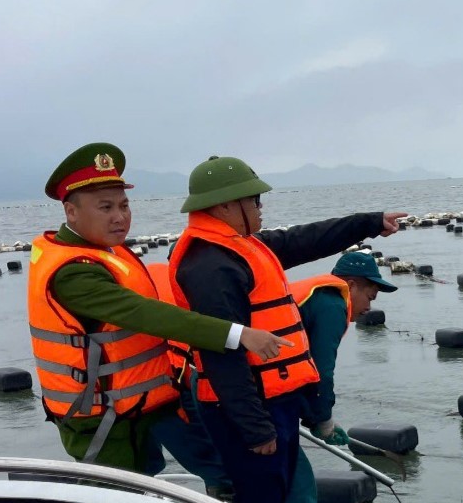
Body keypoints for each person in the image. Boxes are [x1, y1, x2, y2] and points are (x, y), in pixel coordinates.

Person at [167, 155, 406, 503]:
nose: (261, 208)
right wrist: (255, 429)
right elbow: (223, 356)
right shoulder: (210, 266)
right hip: (249, 410)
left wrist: (370, 223)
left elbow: (306, 239)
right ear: (226, 205)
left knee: (276, 498)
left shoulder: (241, 246)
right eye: (254, 201)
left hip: (274, 401)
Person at [27, 143, 289, 473]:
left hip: (149, 396)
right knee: (117, 501)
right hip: (103, 415)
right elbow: (146, 314)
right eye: (105, 208)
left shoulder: (106, 250)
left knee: (217, 466)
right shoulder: (74, 272)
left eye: (124, 205)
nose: (119, 217)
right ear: (71, 212)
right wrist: (237, 333)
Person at [280, 251, 397, 503]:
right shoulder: (332, 304)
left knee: (287, 484)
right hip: (263, 404)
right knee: (300, 487)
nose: (368, 308)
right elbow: (322, 370)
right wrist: (323, 420)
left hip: (262, 398)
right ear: (351, 284)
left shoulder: (316, 297)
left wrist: (314, 417)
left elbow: (301, 369)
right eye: (369, 296)